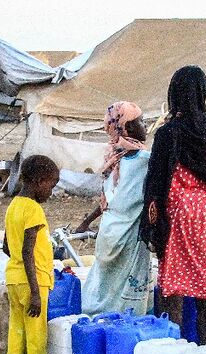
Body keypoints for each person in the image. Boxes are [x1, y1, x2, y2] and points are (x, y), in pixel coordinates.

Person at [140, 66, 206, 345]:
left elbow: (155, 182)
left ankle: (170, 346)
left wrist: (153, 224)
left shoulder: (168, 132)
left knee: (173, 279)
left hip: (178, 215)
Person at [75, 101, 152, 315]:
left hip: (109, 231)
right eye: (140, 122)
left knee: (106, 285)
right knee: (125, 288)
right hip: (128, 235)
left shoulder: (112, 158)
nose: (145, 126)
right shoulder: (146, 160)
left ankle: (99, 321)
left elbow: (107, 199)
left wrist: (87, 222)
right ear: (125, 128)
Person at [1, 155, 60, 354]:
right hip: (33, 283)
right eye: (51, 185)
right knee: (36, 339)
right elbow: (28, 251)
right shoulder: (35, 210)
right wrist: (35, 291)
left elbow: (7, 246)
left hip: (13, 280)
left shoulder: (13, 205)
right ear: (38, 182)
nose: (51, 191)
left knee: (16, 337)